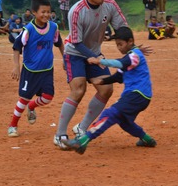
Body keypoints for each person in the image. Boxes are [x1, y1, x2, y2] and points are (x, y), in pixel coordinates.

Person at [54, 0, 151, 150]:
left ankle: (82, 128)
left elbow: (122, 28)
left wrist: (133, 48)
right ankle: (60, 134)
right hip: (75, 53)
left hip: (95, 53)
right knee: (78, 89)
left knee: (106, 89)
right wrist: (92, 57)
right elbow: (75, 41)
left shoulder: (110, 4)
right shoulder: (76, 11)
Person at [62, 26, 157, 154]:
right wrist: (101, 81)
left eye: (120, 44)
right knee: (124, 121)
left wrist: (100, 61)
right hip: (138, 96)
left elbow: (120, 64)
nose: (119, 47)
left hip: (138, 94)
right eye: (117, 45)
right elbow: (118, 76)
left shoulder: (134, 55)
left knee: (110, 114)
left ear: (130, 41)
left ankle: (82, 141)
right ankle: (147, 139)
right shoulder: (130, 57)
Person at [7, 0, 64, 137]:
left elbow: (59, 43)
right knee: (24, 98)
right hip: (30, 70)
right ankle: (13, 125)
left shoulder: (53, 27)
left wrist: (65, 59)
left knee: (48, 97)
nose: (46, 15)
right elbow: (16, 47)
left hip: (47, 70)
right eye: (42, 12)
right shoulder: (29, 30)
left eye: (48, 12)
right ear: (34, 12)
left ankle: (32, 106)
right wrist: (16, 66)